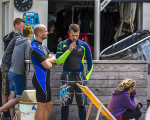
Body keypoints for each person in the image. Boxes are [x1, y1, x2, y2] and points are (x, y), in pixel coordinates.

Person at [56, 24, 93, 120]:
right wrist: (69, 50)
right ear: (68, 33)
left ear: (79, 34)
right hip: (66, 77)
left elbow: (90, 63)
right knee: (64, 104)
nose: (75, 38)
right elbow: (58, 61)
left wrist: (86, 78)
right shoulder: (62, 44)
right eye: (72, 35)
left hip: (80, 77)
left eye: (77, 35)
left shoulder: (84, 45)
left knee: (82, 104)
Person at [0, 24, 33, 120]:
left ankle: (12, 117)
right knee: (18, 98)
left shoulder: (18, 41)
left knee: (12, 96)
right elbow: (27, 57)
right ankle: (1, 109)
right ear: (31, 34)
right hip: (18, 73)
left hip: (11, 71)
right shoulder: (27, 42)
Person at [30, 24, 56, 120]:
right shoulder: (35, 47)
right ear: (40, 33)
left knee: (49, 104)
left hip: (45, 78)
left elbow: (54, 58)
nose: (47, 33)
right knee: (41, 105)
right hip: (40, 79)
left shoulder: (43, 46)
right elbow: (48, 65)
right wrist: (48, 61)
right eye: (45, 31)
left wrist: (47, 60)